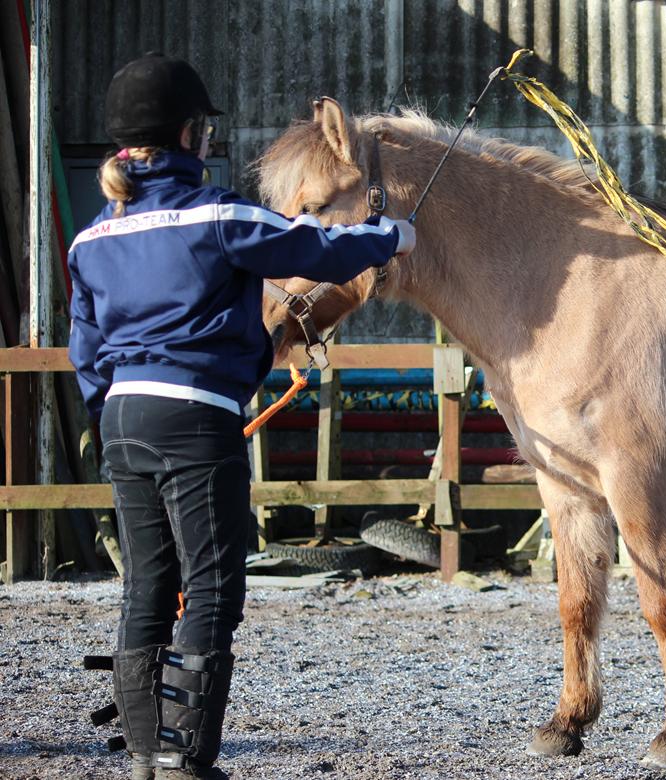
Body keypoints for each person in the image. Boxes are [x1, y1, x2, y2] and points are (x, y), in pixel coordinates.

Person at [69, 53, 414, 780]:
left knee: (148, 585)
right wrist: (392, 237)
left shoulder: (91, 238)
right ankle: (186, 759)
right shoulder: (218, 215)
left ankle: (143, 754)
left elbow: (86, 350)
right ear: (191, 135)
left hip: (122, 420)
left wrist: (114, 412)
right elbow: (314, 247)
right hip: (195, 416)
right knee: (215, 584)